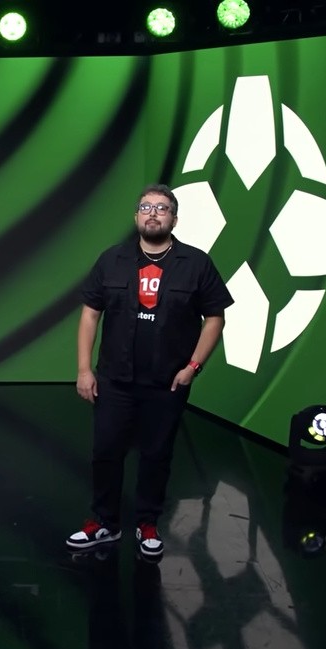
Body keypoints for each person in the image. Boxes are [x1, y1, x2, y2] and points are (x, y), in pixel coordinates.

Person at [67, 184, 233, 558]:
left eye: (162, 208)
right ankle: (104, 523)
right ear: (136, 217)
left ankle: (148, 524)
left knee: (156, 455)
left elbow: (215, 318)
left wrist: (193, 367)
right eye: (146, 207)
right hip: (114, 380)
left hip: (167, 382)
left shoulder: (196, 263)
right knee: (106, 451)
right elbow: (90, 315)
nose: (153, 213)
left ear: (174, 219)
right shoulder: (112, 259)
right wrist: (84, 369)